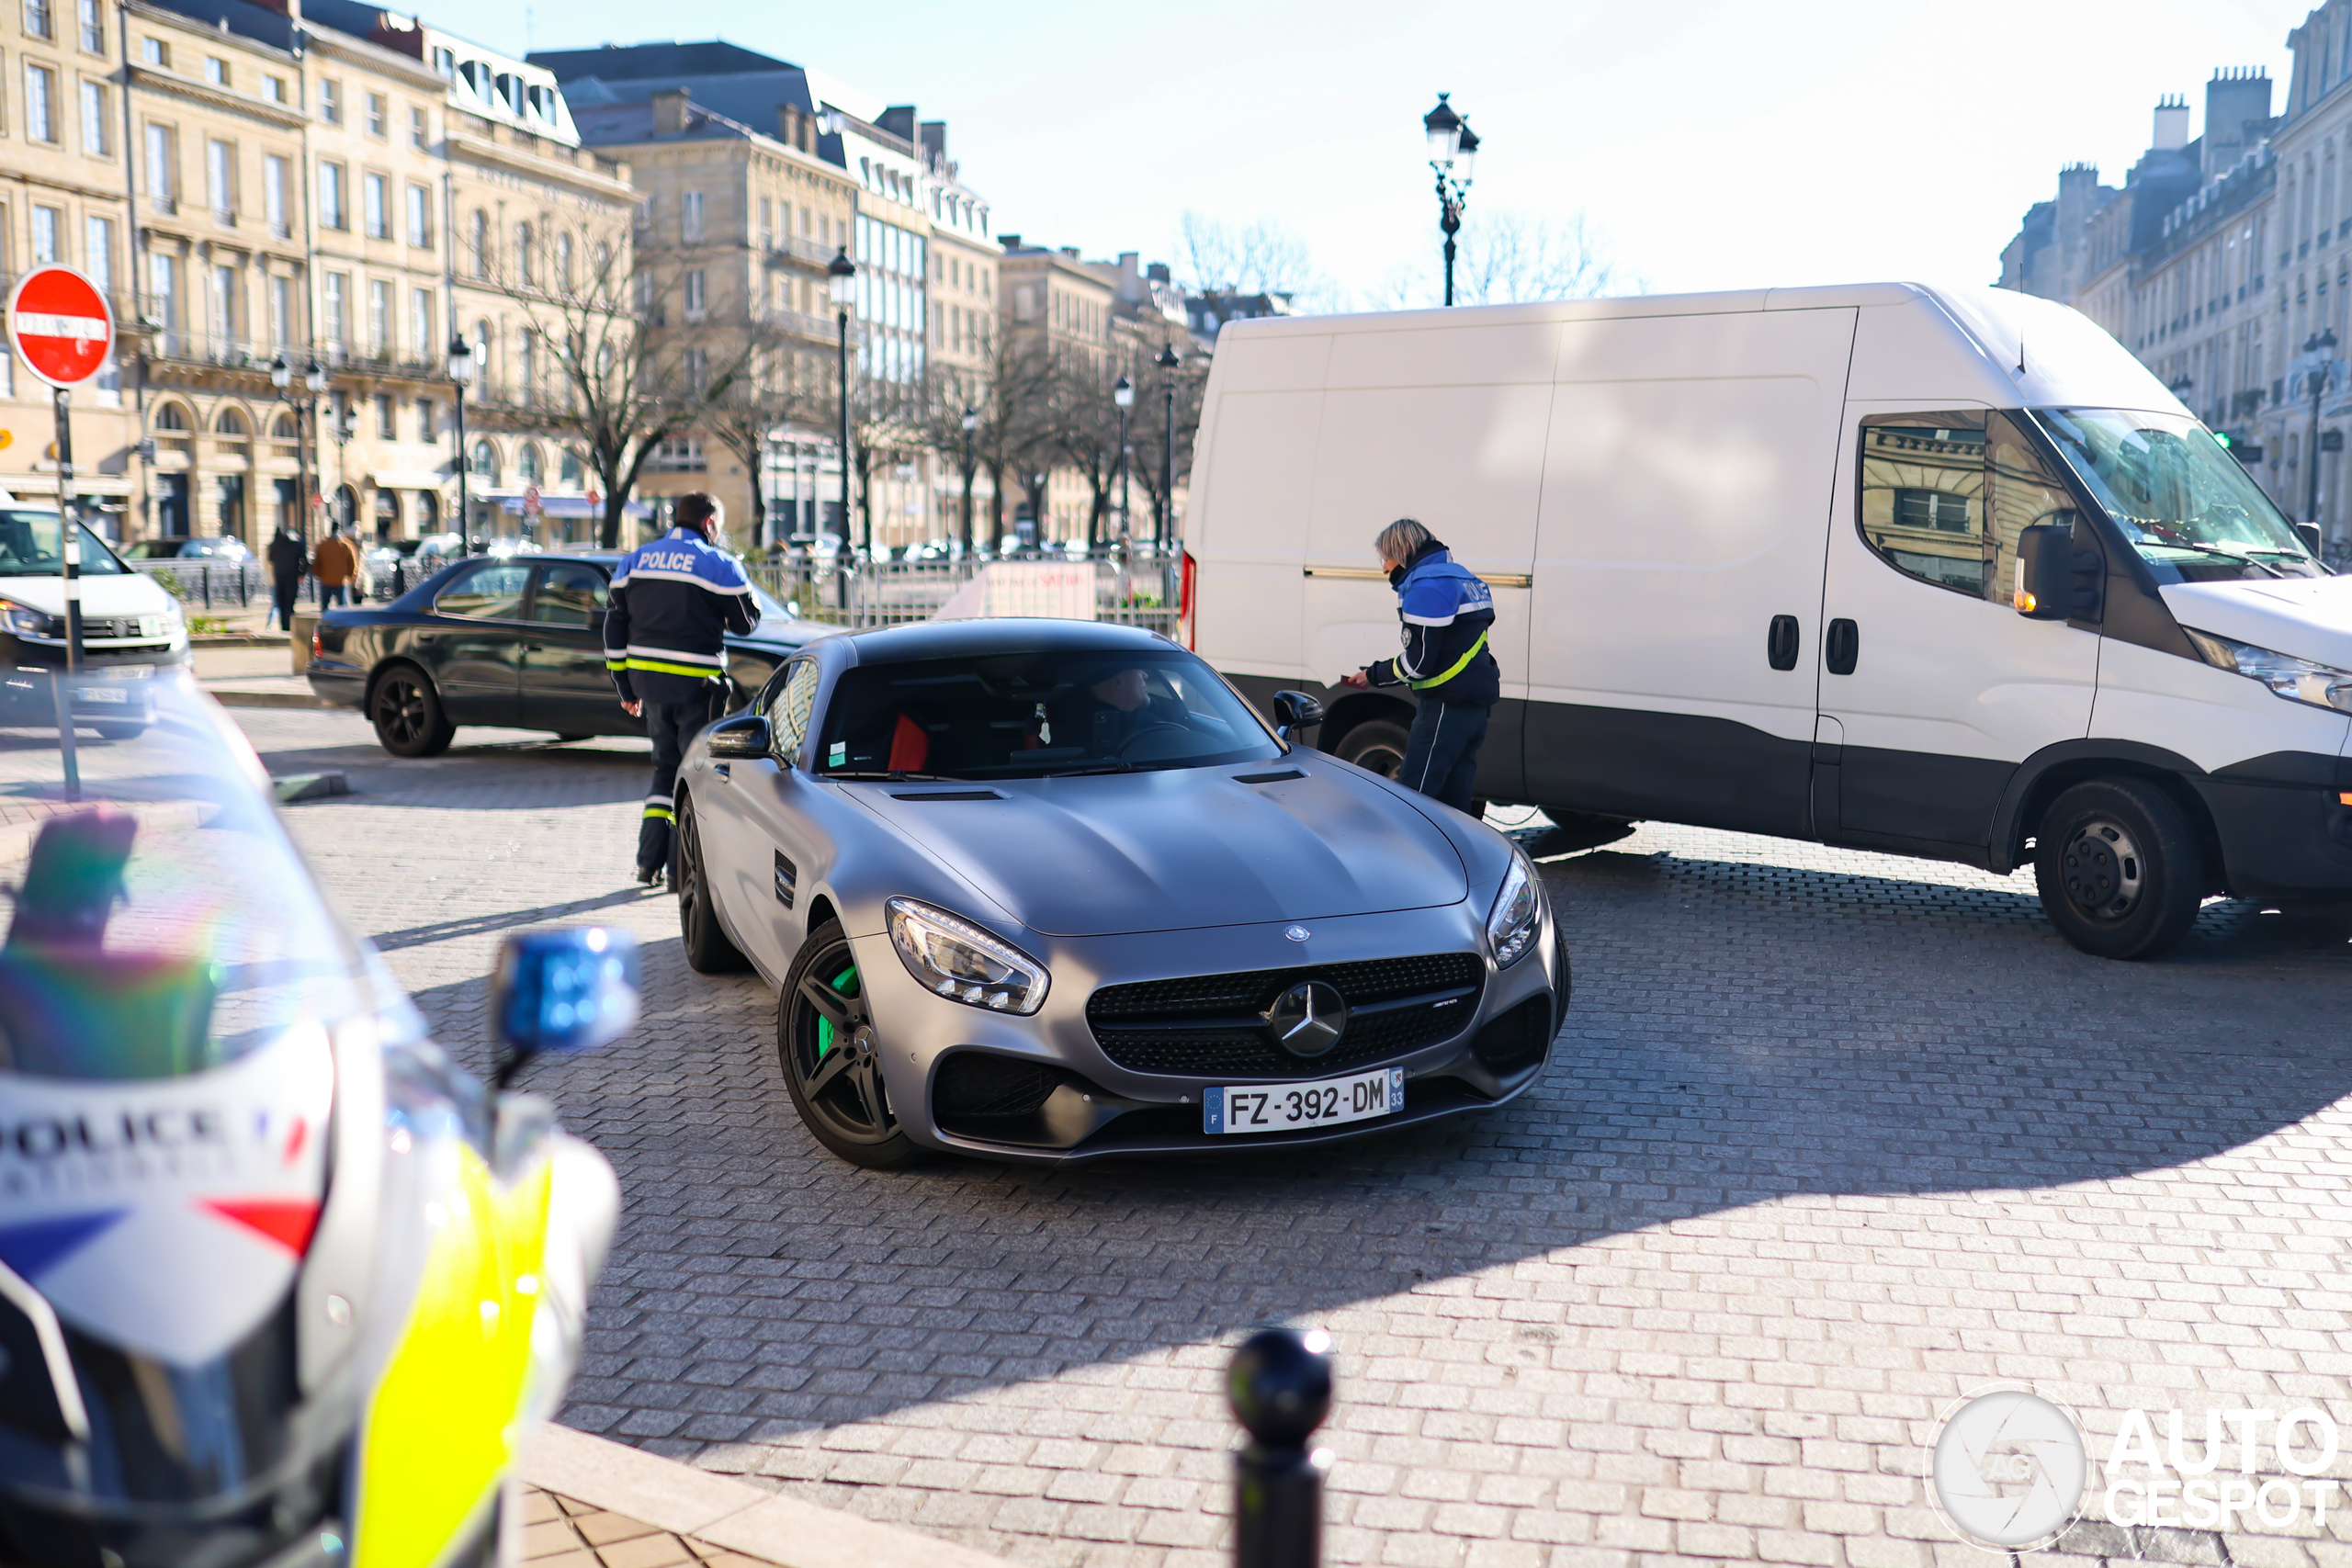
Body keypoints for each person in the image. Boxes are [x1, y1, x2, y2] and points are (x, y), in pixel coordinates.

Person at [605, 491, 759, 884]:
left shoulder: (635, 560)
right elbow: (747, 621)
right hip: (698, 687)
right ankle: (682, 870)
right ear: (709, 523)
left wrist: (625, 687)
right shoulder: (718, 563)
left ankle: (648, 861)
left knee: (664, 769)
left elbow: (614, 626)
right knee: (696, 775)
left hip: (649, 686)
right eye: (718, 526)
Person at [1339, 517, 1499, 816]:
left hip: (1444, 709)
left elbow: (1420, 663)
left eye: (1385, 558)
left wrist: (1372, 675)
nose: (1384, 568)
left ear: (1400, 552)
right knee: (1455, 805)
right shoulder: (1464, 579)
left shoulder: (1427, 588)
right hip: (1475, 708)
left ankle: (1401, 861)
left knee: (1414, 800)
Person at [266, 523, 305, 630]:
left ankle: (284, 625)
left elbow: (270, 559)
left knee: (282, 602)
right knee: (289, 603)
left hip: (279, 576)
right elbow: (304, 561)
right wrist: (301, 573)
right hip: (292, 576)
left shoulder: (274, 546)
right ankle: (289, 625)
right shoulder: (296, 546)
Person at [311, 523, 361, 607]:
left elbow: (317, 562)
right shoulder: (346, 545)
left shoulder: (323, 545)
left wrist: (318, 574)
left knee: (325, 605)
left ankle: (326, 619)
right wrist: (350, 576)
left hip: (326, 579)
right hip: (341, 580)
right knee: (342, 605)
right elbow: (352, 563)